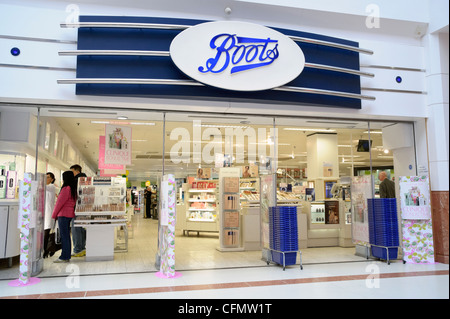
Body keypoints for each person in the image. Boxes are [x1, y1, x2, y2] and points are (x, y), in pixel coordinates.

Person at [52, 171, 77, 263]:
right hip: (69, 214)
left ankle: (64, 256)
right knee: (66, 235)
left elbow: (59, 203)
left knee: (64, 236)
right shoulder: (73, 188)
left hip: (63, 214)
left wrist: (54, 215)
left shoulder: (66, 188)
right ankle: (66, 255)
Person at [70, 164, 87, 257]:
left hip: (76, 207)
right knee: (82, 228)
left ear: (76, 171)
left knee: (76, 228)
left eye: (72, 171)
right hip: (84, 208)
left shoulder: (75, 180)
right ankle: (82, 248)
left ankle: (77, 249)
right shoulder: (85, 179)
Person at [43, 172, 57, 258]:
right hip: (44, 213)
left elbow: (44, 187)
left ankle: (47, 250)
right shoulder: (46, 188)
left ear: (52, 179)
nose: (46, 179)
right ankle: (47, 250)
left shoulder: (51, 186)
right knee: (45, 233)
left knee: (47, 233)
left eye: (47, 177)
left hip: (49, 213)